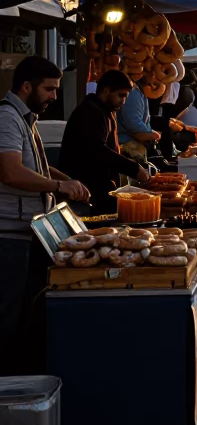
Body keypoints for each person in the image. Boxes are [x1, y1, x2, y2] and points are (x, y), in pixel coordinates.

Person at [0, 57, 89, 375]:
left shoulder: (26, 118)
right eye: (49, 89)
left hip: (29, 231)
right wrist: (56, 184)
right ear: (26, 87)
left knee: (26, 313)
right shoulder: (7, 118)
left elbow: (32, 163)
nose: (54, 96)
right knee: (8, 318)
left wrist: (64, 180)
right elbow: (10, 171)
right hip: (9, 235)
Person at [59, 69, 149, 216]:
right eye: (121, 95)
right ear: (106, 91)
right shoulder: (90, 112)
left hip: (100, 190)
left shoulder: (104, 111)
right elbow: (98, 150)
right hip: (85, 194)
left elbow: (110, 148)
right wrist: (133, 168)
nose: (124, 101)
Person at [116, 76, 162, 163]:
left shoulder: (139, 93)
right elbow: (136, 130)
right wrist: (154, 135)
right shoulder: (134, 94)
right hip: (128, 151)